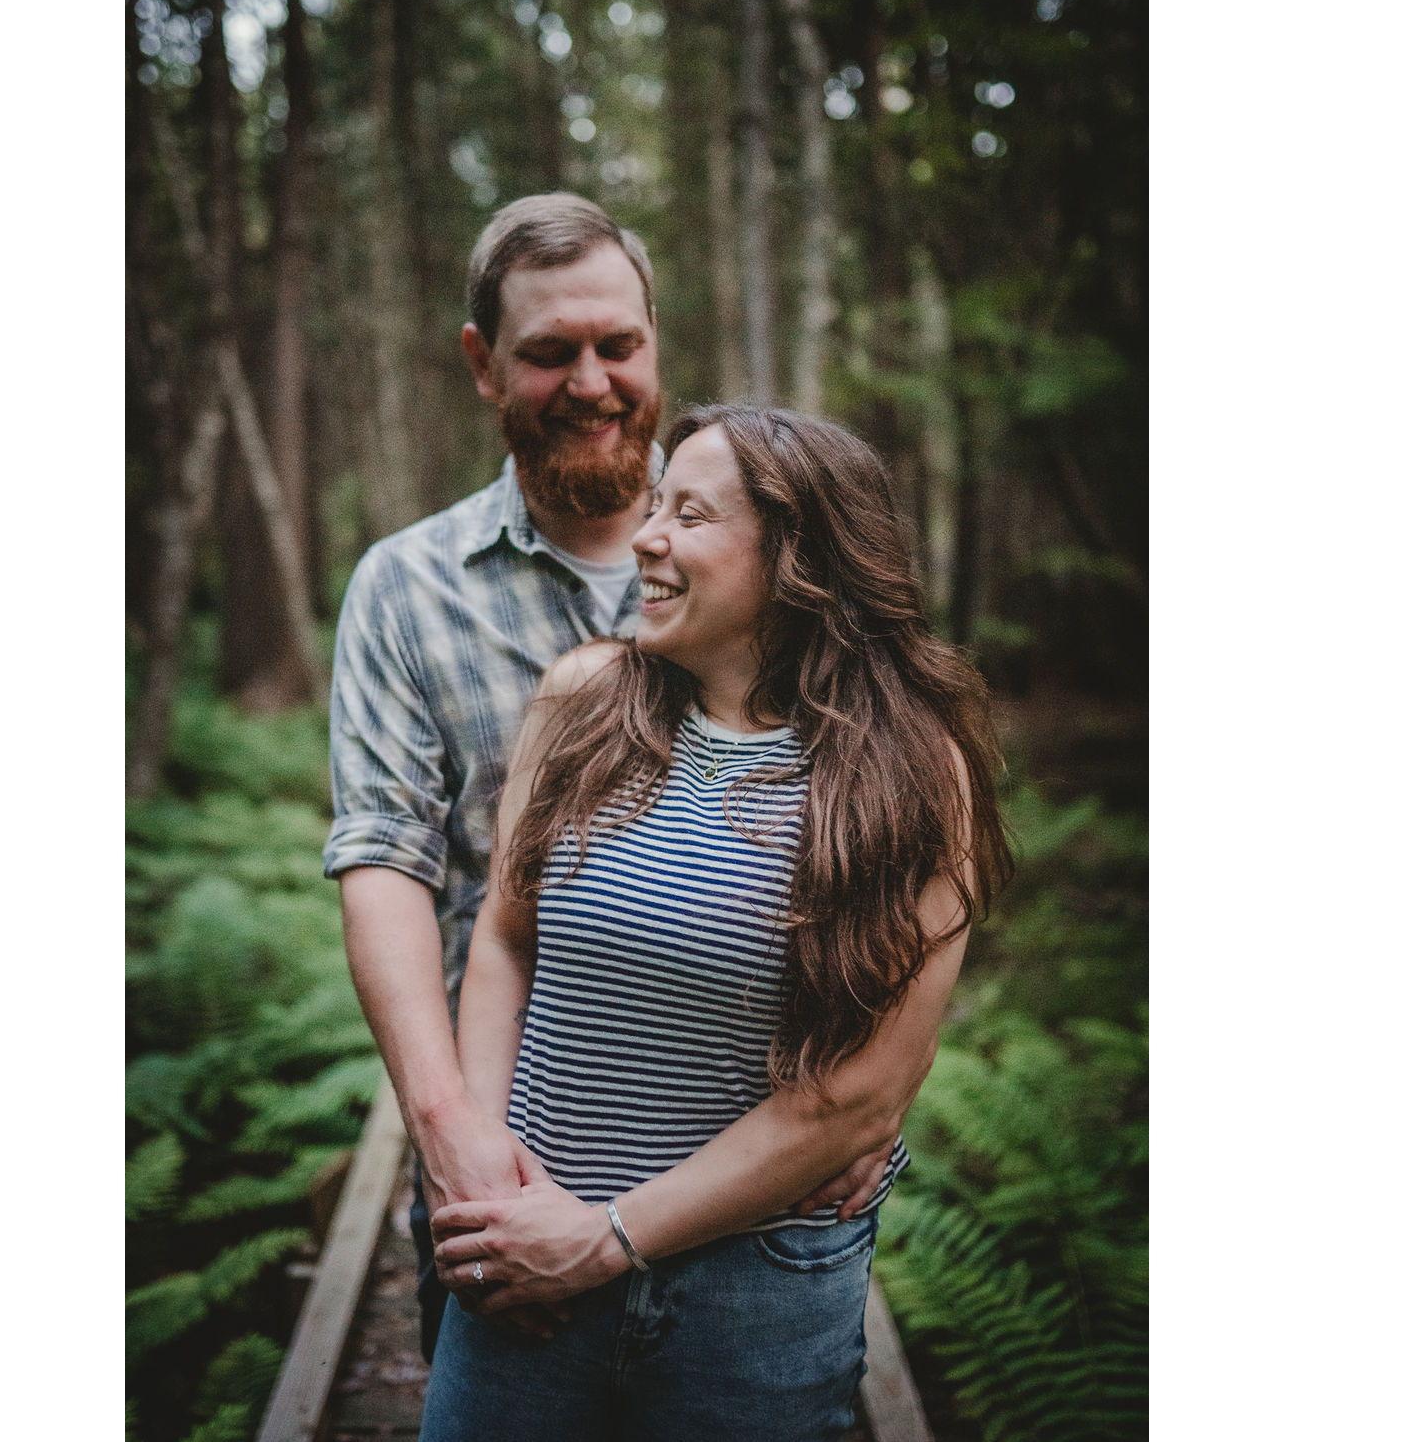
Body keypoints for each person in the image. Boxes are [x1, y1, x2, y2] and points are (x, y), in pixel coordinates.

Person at [324, 196, 897, 1359]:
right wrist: (450, 1139)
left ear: (653, 340)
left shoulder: (771, 559)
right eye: (548, 354)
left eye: (616, 346)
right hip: (507, 1142)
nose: (591, 382)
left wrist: (864, 1091)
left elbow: (873, 834)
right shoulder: (404, 587)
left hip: (749, 1178)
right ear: (482, 364)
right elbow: (383, 856)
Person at [419, 405, 1014, 1441]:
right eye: (653, 507)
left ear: (800, 558)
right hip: (526, 1272)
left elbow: (859, 1095)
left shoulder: (915, 774)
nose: (644, 536)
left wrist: (602, 1237)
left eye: (686, 514)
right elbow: (505, 941)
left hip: (753, 1300)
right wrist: (490, 1176)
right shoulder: (581, 701)